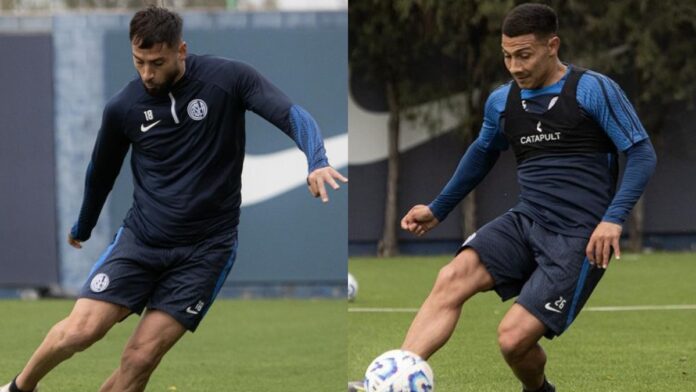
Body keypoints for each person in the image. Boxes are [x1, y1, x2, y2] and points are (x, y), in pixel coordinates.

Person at [2, 6, 346, 392]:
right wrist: (84, 224)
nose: (147, 73)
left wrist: (317, 160)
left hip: (205, 252)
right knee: (80, 331)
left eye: (157, 62)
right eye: (139, 62)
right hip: (141, 241)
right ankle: (18, 387)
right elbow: (101, 173)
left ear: (181, 50)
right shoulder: (123, 108)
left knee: (139, 359)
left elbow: (292, 114)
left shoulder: (228, 78)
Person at [354, 3, 656, 392]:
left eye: (524, 55)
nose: (514, 66)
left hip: (578, 237)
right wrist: (438, 208)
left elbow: (641, 153)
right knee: (451, 278)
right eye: (507, 56)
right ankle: (393, 382)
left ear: (553, 46)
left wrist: (613, 218)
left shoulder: (592, 90)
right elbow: (482, 152)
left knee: (513, 341)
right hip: (525, 220)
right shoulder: (502, 101)